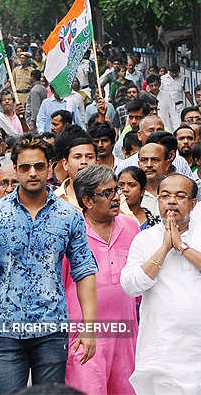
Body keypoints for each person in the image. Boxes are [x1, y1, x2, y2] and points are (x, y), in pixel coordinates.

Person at [0, 135, 98, 394]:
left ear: (50, 166)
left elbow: (84, 272)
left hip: (52, 328)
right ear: (15, 168)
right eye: (25, 167)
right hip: (6, 329)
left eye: (39, 166)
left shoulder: (68, 215)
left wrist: (89, 327)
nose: (32, 173)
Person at [121, 174, 201, 394]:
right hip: (161, 350)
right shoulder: (144, 239)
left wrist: (183, 248)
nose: (172, 201)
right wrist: (164, 249)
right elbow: (130, 286)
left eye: (180, 196)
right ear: (157, 201)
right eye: (165, 196)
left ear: (193, 204)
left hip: (197, 350)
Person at [65, 165, 139, 394]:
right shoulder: (71, 231)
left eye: (116, 190)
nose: (116, 197)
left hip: (126, 335)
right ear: (87, 200)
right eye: (107, 193)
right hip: (85, 336)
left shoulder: (131, 225)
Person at [138, 141, 174, 218]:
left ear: (167, 164)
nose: (149, 165)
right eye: (144, 160)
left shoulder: (176, 189)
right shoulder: (132, 192)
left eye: (155, 160)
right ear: (138, 164)